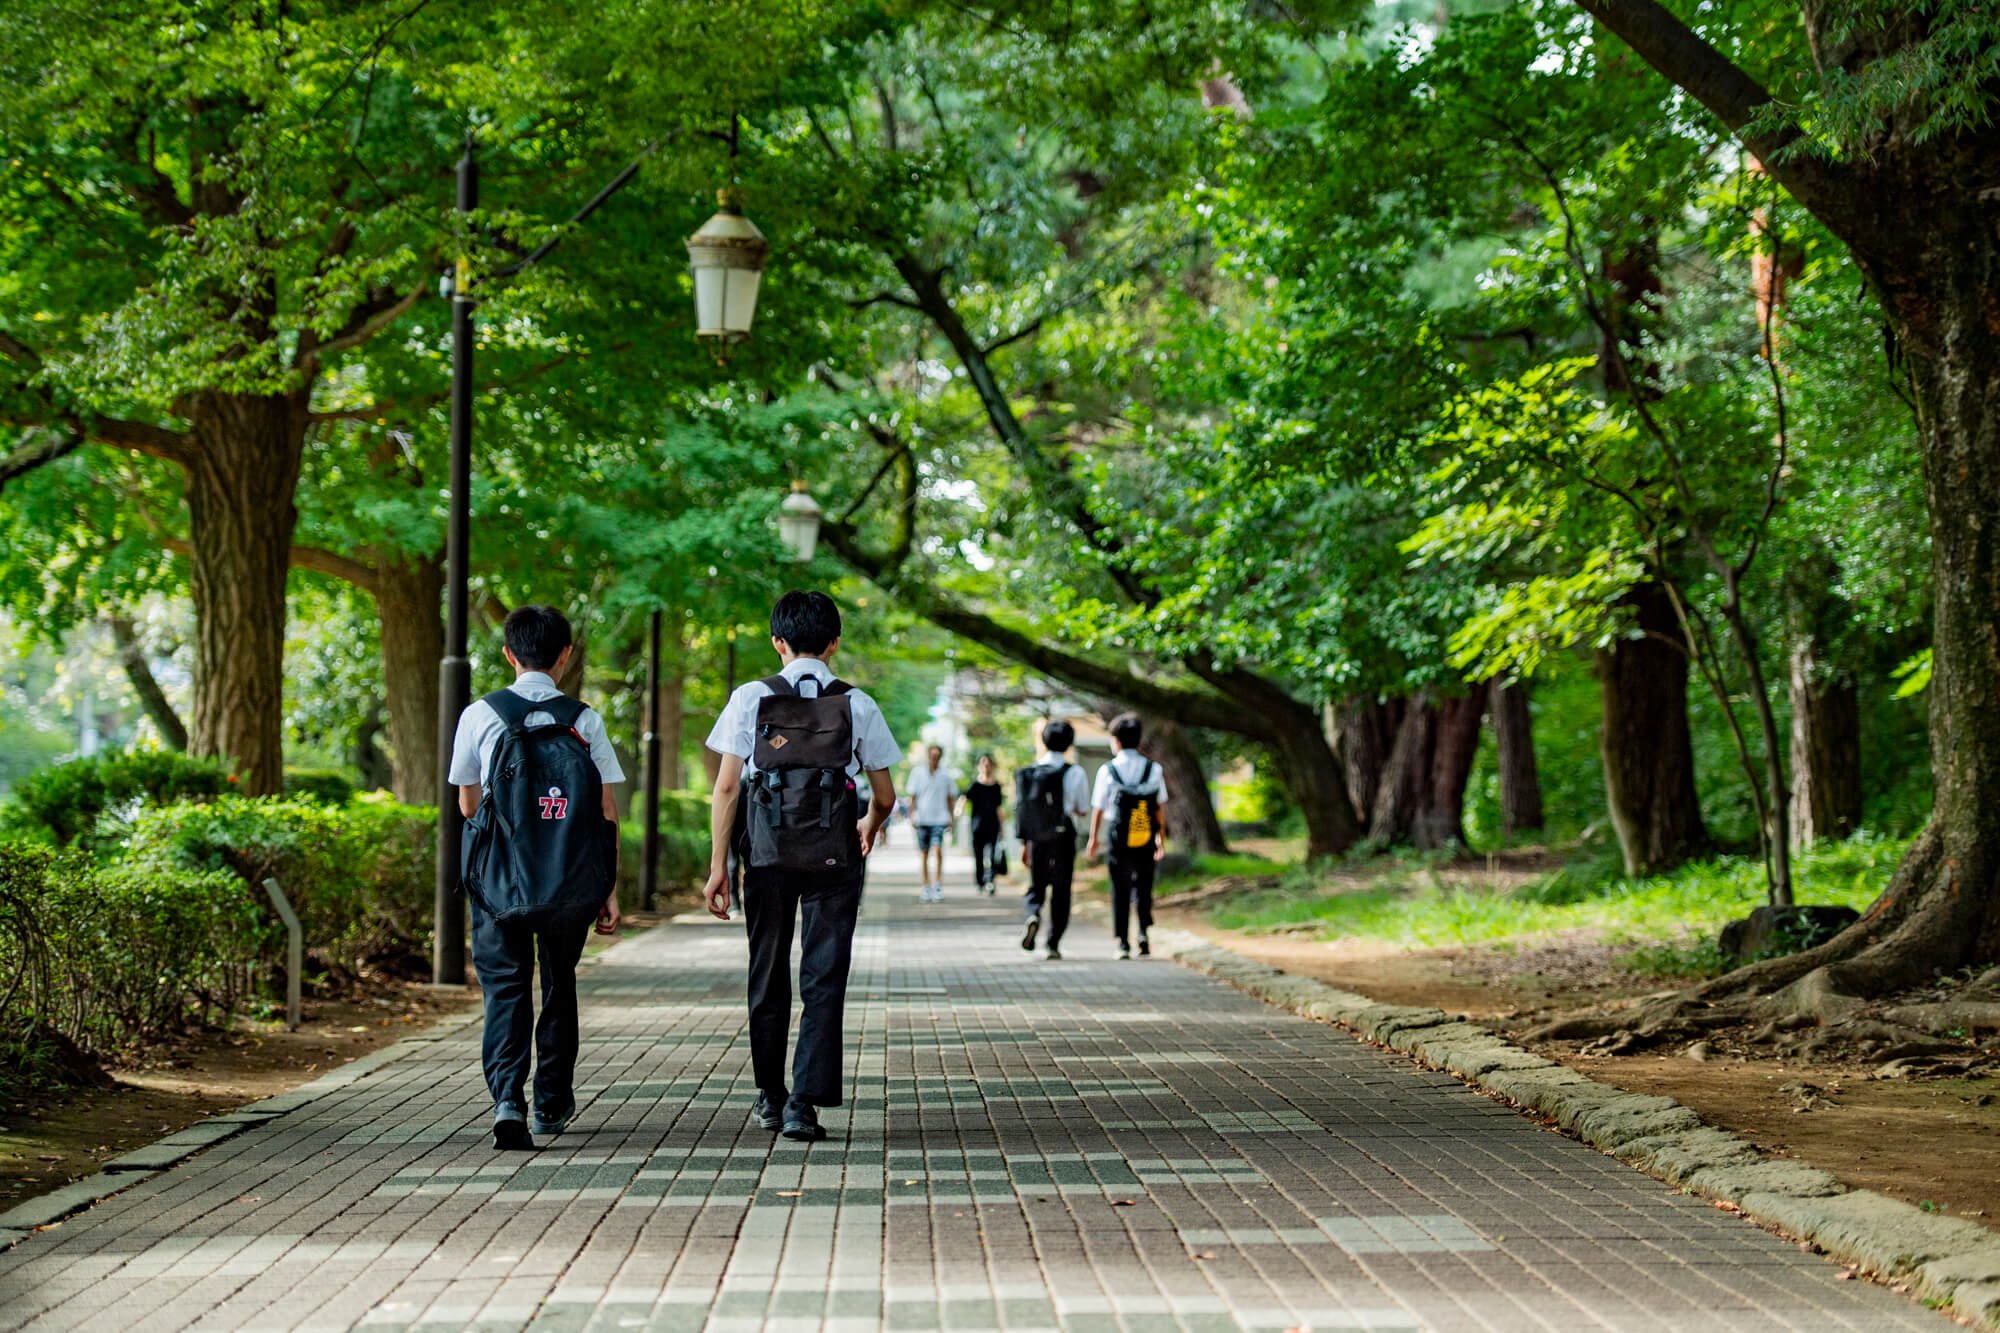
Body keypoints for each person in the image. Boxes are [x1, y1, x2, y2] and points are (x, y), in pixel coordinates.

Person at [703, 591, 899, 1142]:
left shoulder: (750, 697)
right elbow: (883, 793)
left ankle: (770, 1094)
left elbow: (725, 787)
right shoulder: (856, 703)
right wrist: (870, 825)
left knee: (767, 971)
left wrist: (719, 864)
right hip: (833, 851)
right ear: (835, 643)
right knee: (824, 975)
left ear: (777, 642)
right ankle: (803, 1104)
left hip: (765, 853)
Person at [448, 605, 624, 1150]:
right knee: (559, 983)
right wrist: (608, 888)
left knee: (505, 989)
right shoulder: (583, 718)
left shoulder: (481, 714)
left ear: (508, 653)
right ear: (565, 655)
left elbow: (468, 802)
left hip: (500, 883)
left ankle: (507, 1098)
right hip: (570, 881)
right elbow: (606, 812)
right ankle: (551, 1101)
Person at [1086, 712, 1170, 959]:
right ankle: (1143, 932)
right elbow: (1159, 809)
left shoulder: (1108, 770)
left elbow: (1098, 809)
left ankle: (1123, 942)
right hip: (1144, 832)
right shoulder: (1154, 769)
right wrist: (1160, 839)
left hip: (1119, 833)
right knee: (1144, 884)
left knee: (1119, 887)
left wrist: (1093, 839)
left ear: (1117, 741)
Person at [1015, 719, 1090, 960]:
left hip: (1036, 836)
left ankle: (1033, 914)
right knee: (1061, 888)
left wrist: (1024, 844)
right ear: (1069, 743)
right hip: (1063, 833)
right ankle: (1053, 943)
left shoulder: (1033, 771)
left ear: (1044, 741)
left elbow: (1025, 809)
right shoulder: (1075, 771)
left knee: (1036, 884)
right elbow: (1083, 808)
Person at [906, 744, 959, 902]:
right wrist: (912, 816)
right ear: (928, 756)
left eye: (937, 756)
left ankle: (937, 885)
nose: (934, 759)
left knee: (937, 850)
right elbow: (913, 797)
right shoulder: (917, 773)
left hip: (940, 819)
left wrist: (951, 819)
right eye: (932, 756)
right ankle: (925, 886)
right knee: (924, 853)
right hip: (922, 819)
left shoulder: (946, 775)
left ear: (940, 757)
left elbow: (951, 799)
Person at [960, 753, 1004, 895]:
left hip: (993, 826)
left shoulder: (996, 786)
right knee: (978, 856)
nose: (986, 767)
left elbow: (999, 807)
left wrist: (1002, 827)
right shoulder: (975, 785)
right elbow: (964, 798)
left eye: (989, 764)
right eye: (984, 764)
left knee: (991, 855)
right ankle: (980, 882)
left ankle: (990, 881)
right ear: (979, 767)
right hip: (977, 826)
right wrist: (958, 809)